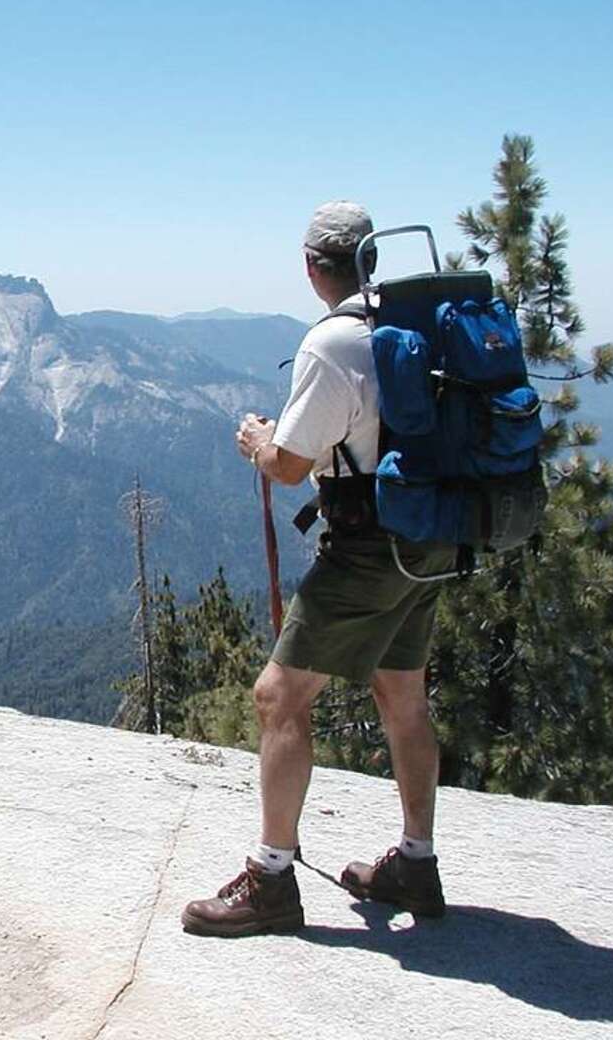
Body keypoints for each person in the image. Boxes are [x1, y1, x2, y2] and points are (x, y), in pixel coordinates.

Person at [181, 201, 458, 938]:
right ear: (372, 261)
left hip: (369, 547)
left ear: (312, 267)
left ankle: (272, 880)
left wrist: (259, 442)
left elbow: (293, 467)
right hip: (432, 537)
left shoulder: (334, 344)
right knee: (404, 694)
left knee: (278, 698)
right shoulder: (417, 324)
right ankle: (416, 863)